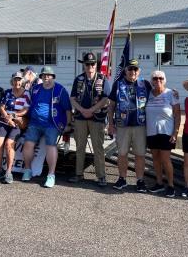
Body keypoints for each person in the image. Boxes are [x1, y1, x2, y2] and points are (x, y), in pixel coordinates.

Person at [22, 66, 72, 188]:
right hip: (35, 123)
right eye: (44, 75)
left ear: (53, 77)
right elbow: (28, 104)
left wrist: (68, 124)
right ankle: (28, 170)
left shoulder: (60, 90)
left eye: (49, 75)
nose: (46, 78)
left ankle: (51, 175)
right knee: (28, 144)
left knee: (51, 145)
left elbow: (67, 109)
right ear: (41, 77)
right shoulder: (35, 89)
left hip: (52, 124)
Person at [108, 59, 151, 192]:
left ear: (139, 71)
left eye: (135, 69)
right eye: (130, 69)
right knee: (122, 153)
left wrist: (172, 93)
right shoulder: (118, 84)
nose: (132, 71)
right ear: (125, 71)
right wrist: (110, 124)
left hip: (140, 125)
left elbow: (157, 96)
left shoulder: (145, 84)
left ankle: (140, 180)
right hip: (122, 125)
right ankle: (122, 179)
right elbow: (111, 106)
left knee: (140, 154)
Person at [69, 52, 110, 187]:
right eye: (87, 64)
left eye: (92, 64)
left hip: (97, 118)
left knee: (98, 147)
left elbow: (105, 99)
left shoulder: (103, 79)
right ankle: (78, 174)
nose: (90, 66)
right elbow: (72, 98)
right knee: (80, 146)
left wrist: (91, 110)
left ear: (96, 65)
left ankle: (101, 176)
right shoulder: (78, 79)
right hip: (80, 117)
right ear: (84, 65)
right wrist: (82, 110)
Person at [0, 71, 30, 184]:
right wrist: (7, 117)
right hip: (5, 120)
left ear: (22, 81)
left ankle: (8, 171)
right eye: (15, 79)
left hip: (17, 122)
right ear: (12, 81)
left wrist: (14, 116)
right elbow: (2, 107)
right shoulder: (7, 92)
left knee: (9, 144)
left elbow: (26, 109)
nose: (17, 82)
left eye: (19, 79)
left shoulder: (26, 93)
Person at [146, 70, 181, 198]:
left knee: (165, 159)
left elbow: (177, 115)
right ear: (152, 81)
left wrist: (175, 132)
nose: (158, 81)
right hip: (151, 131)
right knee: (155, 158)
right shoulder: (148, 93)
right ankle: (159, 183)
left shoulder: (171, 94)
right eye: (155, 78)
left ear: (164, 80)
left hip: (166, 132)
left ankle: (171, 185)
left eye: (161, 78)